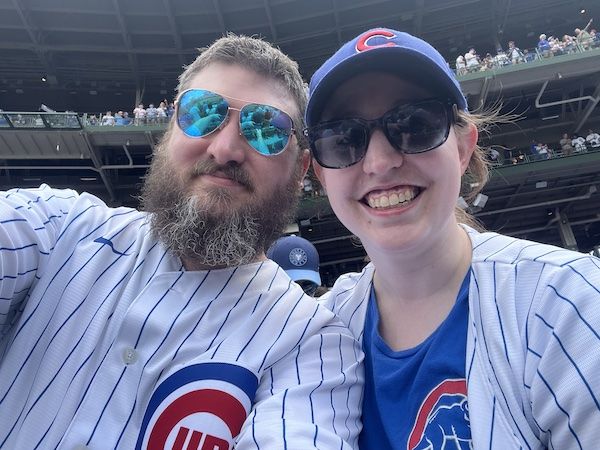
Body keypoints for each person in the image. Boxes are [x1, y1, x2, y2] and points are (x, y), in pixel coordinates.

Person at [0, 34, 363, 449]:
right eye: (202, 113)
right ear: (170, 128)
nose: (225, 149)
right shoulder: (61, 226)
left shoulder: (312, 344)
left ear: (300, 169)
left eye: (266, 128)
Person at [304, 27, 600, 449]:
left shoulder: (567, 300)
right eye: (342, 139)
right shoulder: (318, 333)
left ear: (462, 149)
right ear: (322, 174)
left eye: (415, 124)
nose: (381, 161)